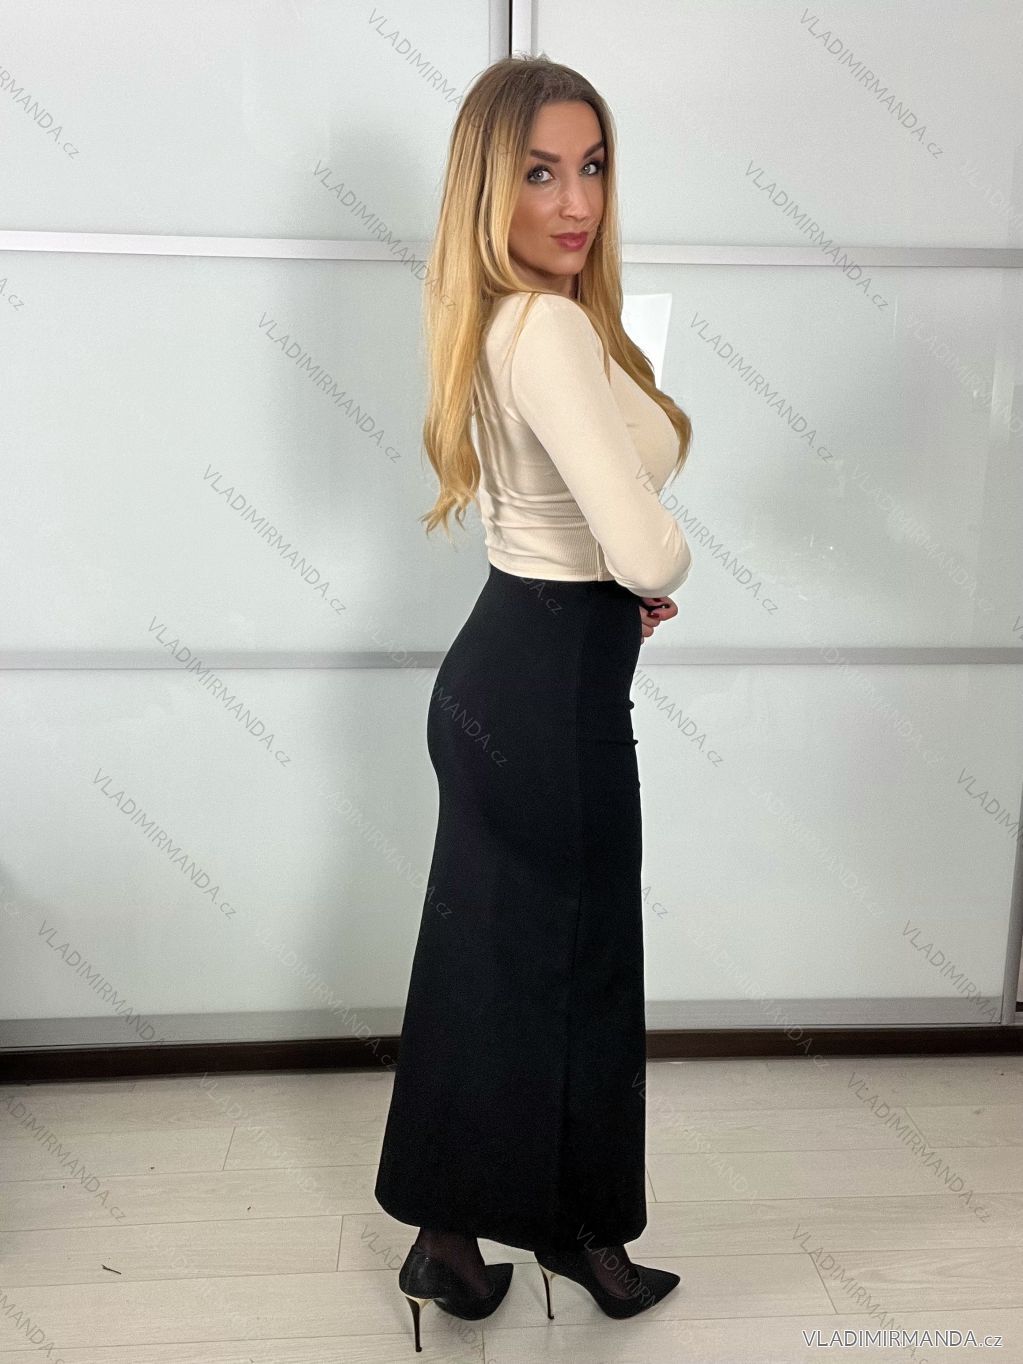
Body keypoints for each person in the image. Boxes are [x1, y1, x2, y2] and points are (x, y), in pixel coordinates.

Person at [373, 53, 694, 1353]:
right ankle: (584, 1235)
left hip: (509, 669)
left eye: (593, 167)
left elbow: (578, 528)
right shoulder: (549, 328)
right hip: (548, 698)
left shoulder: (519, 317)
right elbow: (648, 548)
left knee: (489, 968)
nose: (576, 201)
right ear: (487, 189)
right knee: (581, 969)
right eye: (541, 173)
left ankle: (451, 1241)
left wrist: (615, 583)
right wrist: (646, 570)